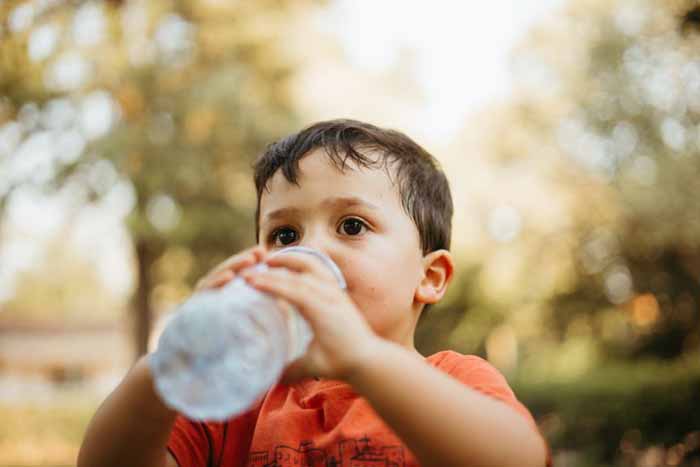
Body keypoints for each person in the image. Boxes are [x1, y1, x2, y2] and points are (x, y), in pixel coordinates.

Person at [78, 119, 551, 467]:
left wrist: (361, 356)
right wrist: (167, 366)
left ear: (430, 277)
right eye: (284, 235)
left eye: (351, 225)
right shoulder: (243, 399)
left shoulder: (453, 382)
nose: (308, 251)